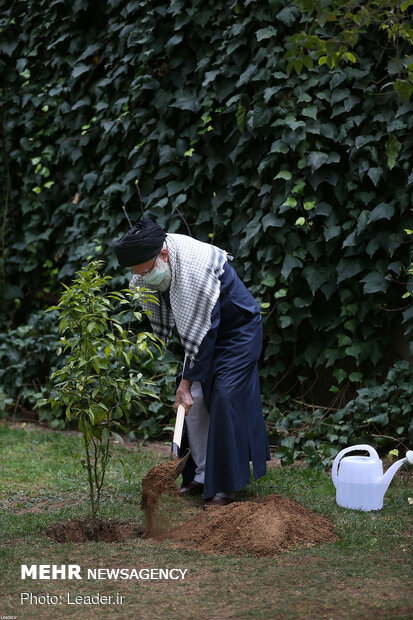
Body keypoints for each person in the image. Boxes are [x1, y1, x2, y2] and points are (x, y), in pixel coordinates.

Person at [113, 219, 270, 508]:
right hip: (208, 330)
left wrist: (186, 381)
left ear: (163, 255)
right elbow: (191, 328)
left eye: (146, 273)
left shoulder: (193, 267)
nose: (143, 279)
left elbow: (206, 331)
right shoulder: (151, 266)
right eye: (138, 275)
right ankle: (200, 475)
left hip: (238, 332)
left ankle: (223, 487)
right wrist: (187, 385)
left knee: (223, 395)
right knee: (193, 400)